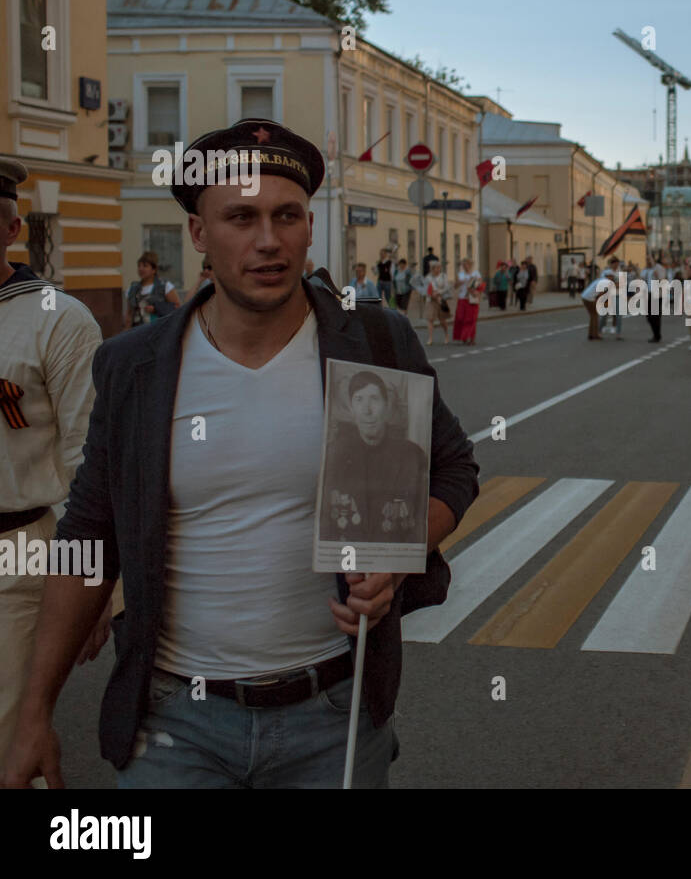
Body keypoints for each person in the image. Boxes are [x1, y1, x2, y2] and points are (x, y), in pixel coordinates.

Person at [2, 119, 479, 790]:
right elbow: (88, 534)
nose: (267, 239)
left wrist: (397, 551)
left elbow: (454, 467)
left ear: (309, 226)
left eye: (287, 215)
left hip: (334, 715)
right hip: (176, 726)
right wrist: (34, 714)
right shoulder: (137, 366)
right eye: (241, 217)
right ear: (199, 233)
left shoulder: (370, 340)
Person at [0, 158, 107, 779]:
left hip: (18, 553)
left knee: (14, 744)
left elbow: (88, 460)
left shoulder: (57, 318)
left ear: (12, 228)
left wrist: (91, 593)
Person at [322, 371, 428, 544]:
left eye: (374, 399)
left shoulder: (412, 457)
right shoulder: (334, 455)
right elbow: (325, 528)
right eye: (359, 400)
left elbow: (418, 529)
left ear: (386, 406)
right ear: (351, 408)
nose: (367, 410)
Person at [125, 251, 181, 327]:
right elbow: (129, 314)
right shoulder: (133, 288)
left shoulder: (165, 286)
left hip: (159, 331)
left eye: (145, 266)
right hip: (138, 332)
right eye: (139, 266)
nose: (141, 269)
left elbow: (177, 307)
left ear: (154, 269)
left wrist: (156, 308)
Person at [420, 260, 452, 346]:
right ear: (432, 269)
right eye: (436, 268)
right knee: (430, 319)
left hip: (440, 299)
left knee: (442, 320)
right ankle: (430, 338)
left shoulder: (443, 276)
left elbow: (447, 287)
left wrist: (439, 292)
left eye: (439, 267)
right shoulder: (428, 278)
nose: (438, 269)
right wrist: (431, 294)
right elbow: (426, 289)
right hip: (431, 300)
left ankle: (446, 335)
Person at [453, 258, 483, 345]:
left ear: (471, 265)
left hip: (472, 299)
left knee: (471, 319)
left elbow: (480, 285)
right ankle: (464, 337)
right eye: (464, 264)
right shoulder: (460, 275)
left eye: (467, 264)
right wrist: (459, 282)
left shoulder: (476, 274)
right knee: (460, 318)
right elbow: (455, 286)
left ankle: (471, 338)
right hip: (462, 298)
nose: (465, 266)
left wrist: (477, 292)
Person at [580, 267, 613, 340]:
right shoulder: (606, 282)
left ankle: (591, 334)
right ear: (608, 276)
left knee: (593, 316)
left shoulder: (600, 279)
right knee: (595, 316)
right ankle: (595, 335)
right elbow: (601, 294)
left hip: (585, 296)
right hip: (590, 298)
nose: (612, 277)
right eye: (611, 276)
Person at [645, 255, 666, 342]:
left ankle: (657, 335)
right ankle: (656, 334)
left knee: (655, 316)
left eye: (649, 259)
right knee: (649, 316)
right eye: (647, 259)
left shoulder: (659, 268)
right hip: (648, 294)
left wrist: (657, 276)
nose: (648, 261)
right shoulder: (648, 269)